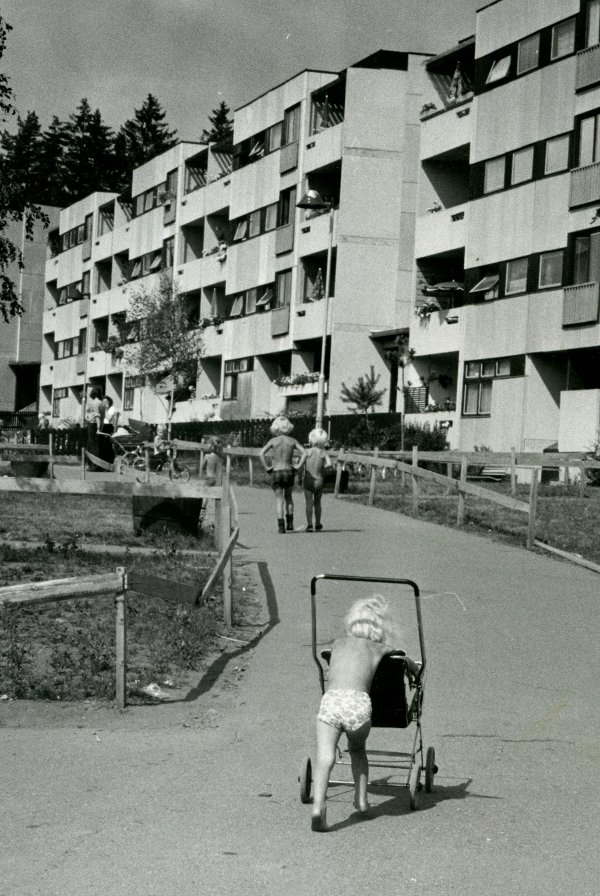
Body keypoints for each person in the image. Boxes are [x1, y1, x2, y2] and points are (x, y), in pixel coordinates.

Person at [311, 594, 421, 832]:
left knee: (325, 755)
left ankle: (319, 806)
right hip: (358, 705)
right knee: (357, 750)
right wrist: (414, 672)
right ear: (381, 627)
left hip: (331, 701)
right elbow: (405, 661)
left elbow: (325, 655)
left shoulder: (338, 643)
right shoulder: (379, 647)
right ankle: (361, 801)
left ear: (352, 622)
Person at [259, 416, 306, 533]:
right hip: (289, 471)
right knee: (289, 497)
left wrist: (267, 467)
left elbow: (261, 453)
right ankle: (290, 524)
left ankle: (281, 527)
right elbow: (305, 453)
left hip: (277, 471)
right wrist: (298, 466)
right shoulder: (292, 441)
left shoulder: (273, 441)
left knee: (279, 500)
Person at [296, 427, 332, 532]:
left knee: (308, 503)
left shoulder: (306, 452)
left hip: (308, 480)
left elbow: (300, 466)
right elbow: (329, 464)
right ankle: (318, 523)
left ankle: (309, 525)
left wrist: (299, 475)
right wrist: (322, 468)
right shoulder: (323, 453)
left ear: (311, 439)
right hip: (319, 480)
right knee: (318, 502)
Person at [85, 387, 104, 469]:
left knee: (92, 445)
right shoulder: (101, 403)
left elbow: (97, 416)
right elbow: (102, 417)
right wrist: (101, 427)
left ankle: (94, 466)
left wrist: (98, 428)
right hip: (98, 425)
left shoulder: (95, 403)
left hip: (93, 425)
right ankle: (94, 465)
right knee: (95, 445)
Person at [98, 396, 119, 465]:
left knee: (107, 444)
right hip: (104, 426)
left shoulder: (112, 409)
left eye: (105, 402)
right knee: (102, 444)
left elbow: (109, 418)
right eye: (103, 402)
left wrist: (105, 410)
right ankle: (103, 461)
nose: (104, 404)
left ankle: (109, 461)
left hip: (109, 427)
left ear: (109, 402)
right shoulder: (105, 409)